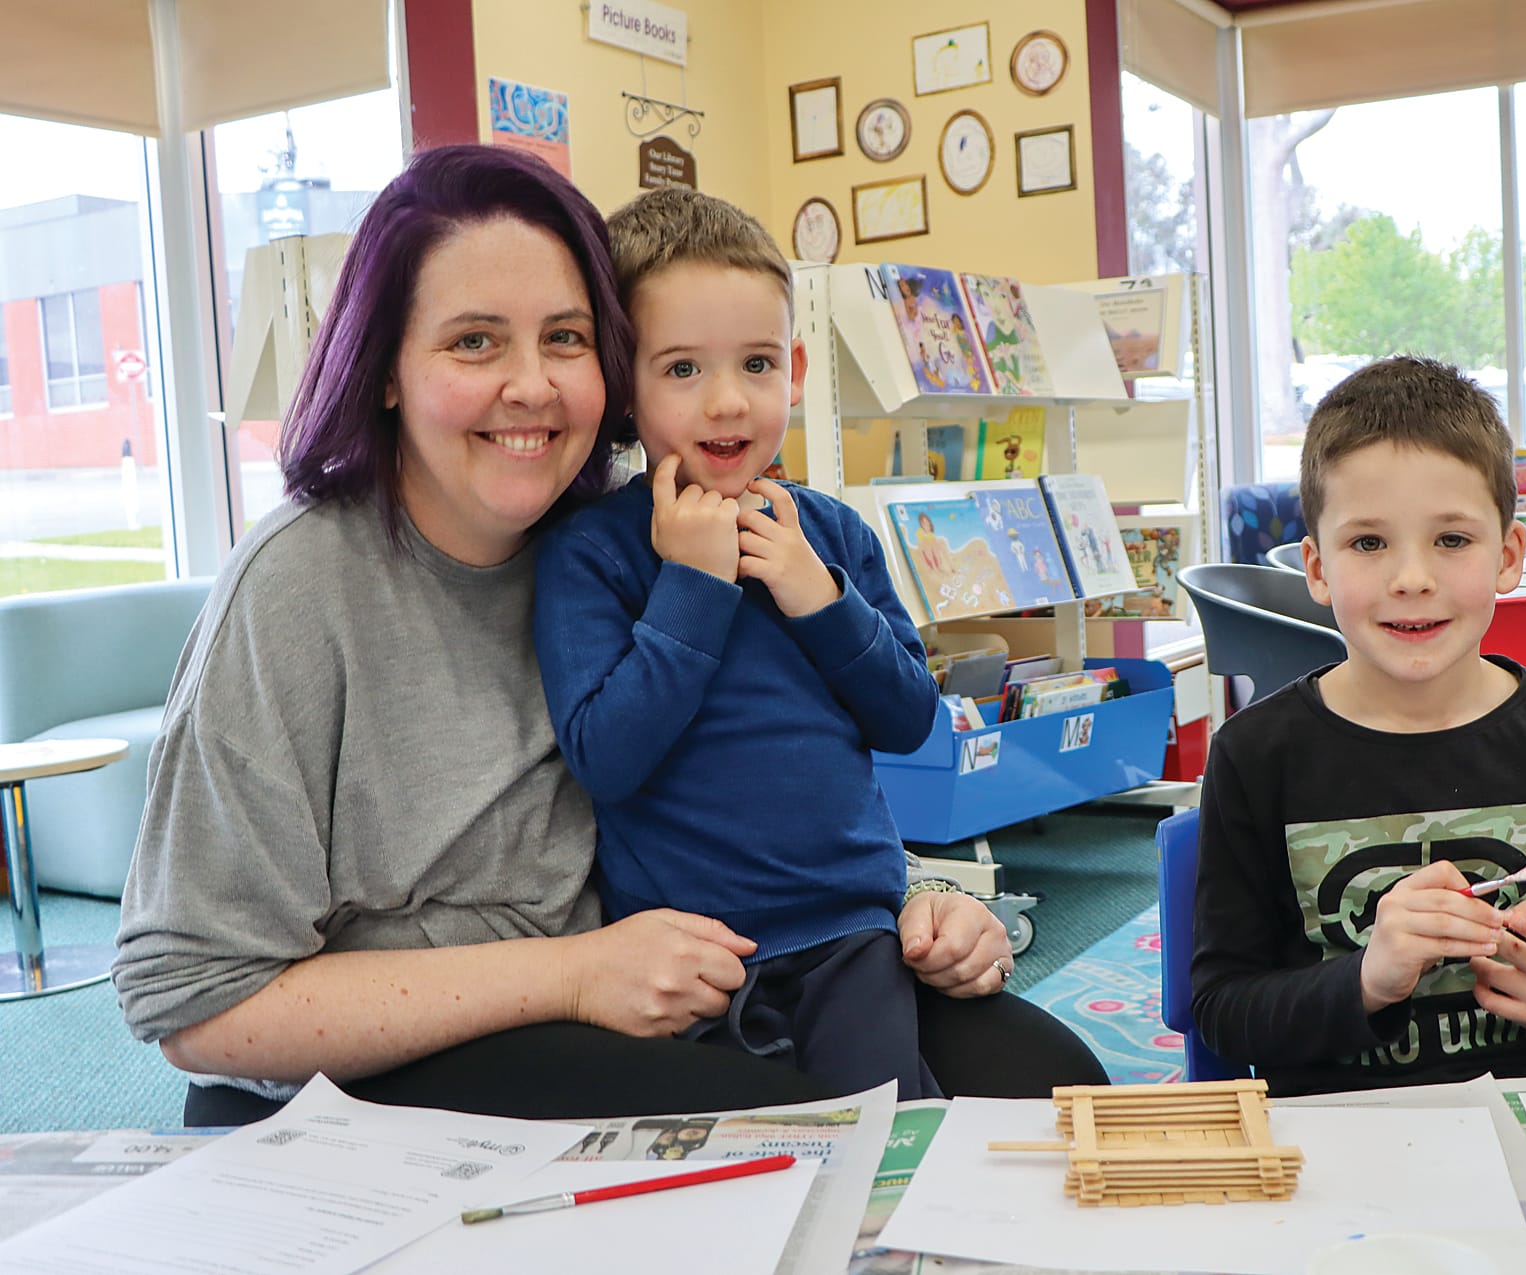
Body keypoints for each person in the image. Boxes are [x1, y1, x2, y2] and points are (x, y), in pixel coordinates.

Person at [112, 145, 1102, 1128]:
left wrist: (920, 898)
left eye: (565, 338)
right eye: (473, 341)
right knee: (806, 1135)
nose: (531, 386)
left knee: (1050, 1081)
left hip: (678, 971)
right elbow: (190, 1002)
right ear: (385, 369)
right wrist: (571, 974)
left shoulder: (631, 522)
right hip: (410, 1055)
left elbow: (780, 760)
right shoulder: (297, 588)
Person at [532, 186, 946, 1099]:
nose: (727, 402)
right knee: (721, 1157)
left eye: (757, 363)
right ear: (624, 386)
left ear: (792, 369)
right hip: (684, 953)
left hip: (850, 933)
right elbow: (606, 757)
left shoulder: (831, 535)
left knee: (885, 1128)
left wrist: (819, 597)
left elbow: (910, 717)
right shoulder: (591, 553)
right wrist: (693, 586)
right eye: (682, 368)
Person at [1189, 355, 1526, 1097]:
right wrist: (1367, 980)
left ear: (1508, 556)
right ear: (1318, 569)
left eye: (1451, 540)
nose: (1411, 579)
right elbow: (1223, 1010)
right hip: (1350, 1132)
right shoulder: (1255, 755)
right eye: (1368, 543)